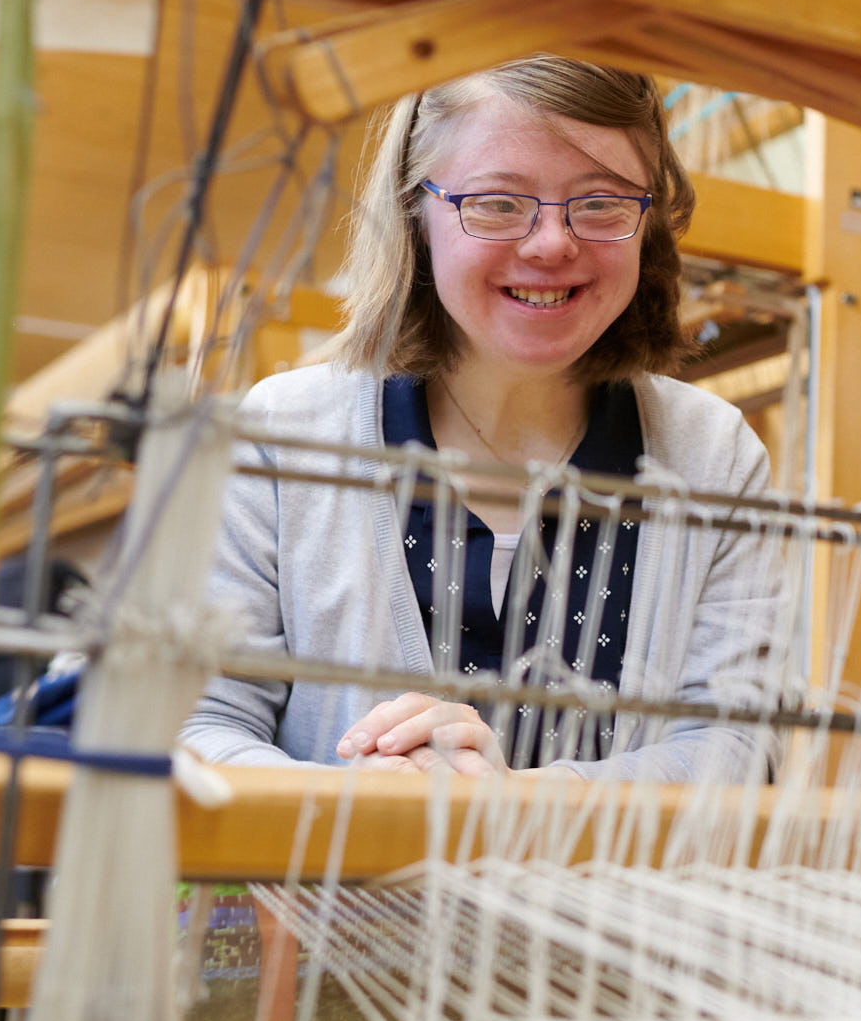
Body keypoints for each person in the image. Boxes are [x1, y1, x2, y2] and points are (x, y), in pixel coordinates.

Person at [182, 57, 779, 782]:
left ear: (648, 219)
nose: (553, 243)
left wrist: (514, 804)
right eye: (498, 202)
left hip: (597, 902)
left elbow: (737, 749)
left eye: (601, 203)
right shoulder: (279, 436)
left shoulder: (713, 455)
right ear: (416, 213)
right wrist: (359, 804)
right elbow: (199, 723)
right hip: (325, 898)